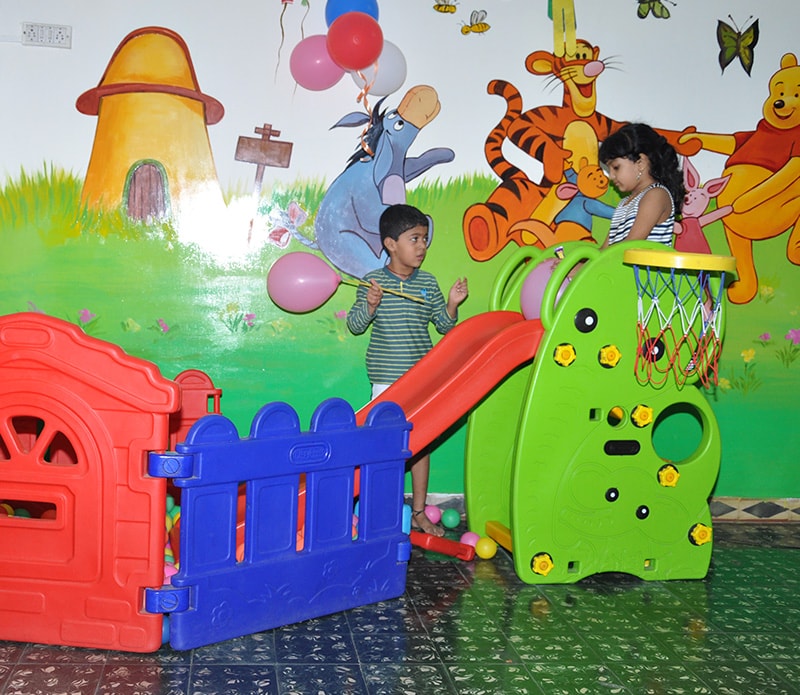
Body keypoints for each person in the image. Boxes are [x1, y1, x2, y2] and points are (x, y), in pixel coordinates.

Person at [347, 204, 468, 536]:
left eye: (424, 239)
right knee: (386, 447)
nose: (422, 246)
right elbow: (356, 325)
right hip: (387, 381)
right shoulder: (373, 282)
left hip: (423, 379)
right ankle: (381, 510)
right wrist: (370, 304)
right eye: (414, 239)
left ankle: (418, 512)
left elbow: (443, 326)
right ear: (391, 244)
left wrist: (452, 304)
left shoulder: (427, 282)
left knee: (421, 444)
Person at [598, 122, 684, 248]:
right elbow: (605, 249)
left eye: (616, 167)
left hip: (641, 262)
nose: (611, 176)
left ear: (641, 163)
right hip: (619, 260)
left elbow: (631, 244)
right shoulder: (624, 203)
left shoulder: (656, 195)